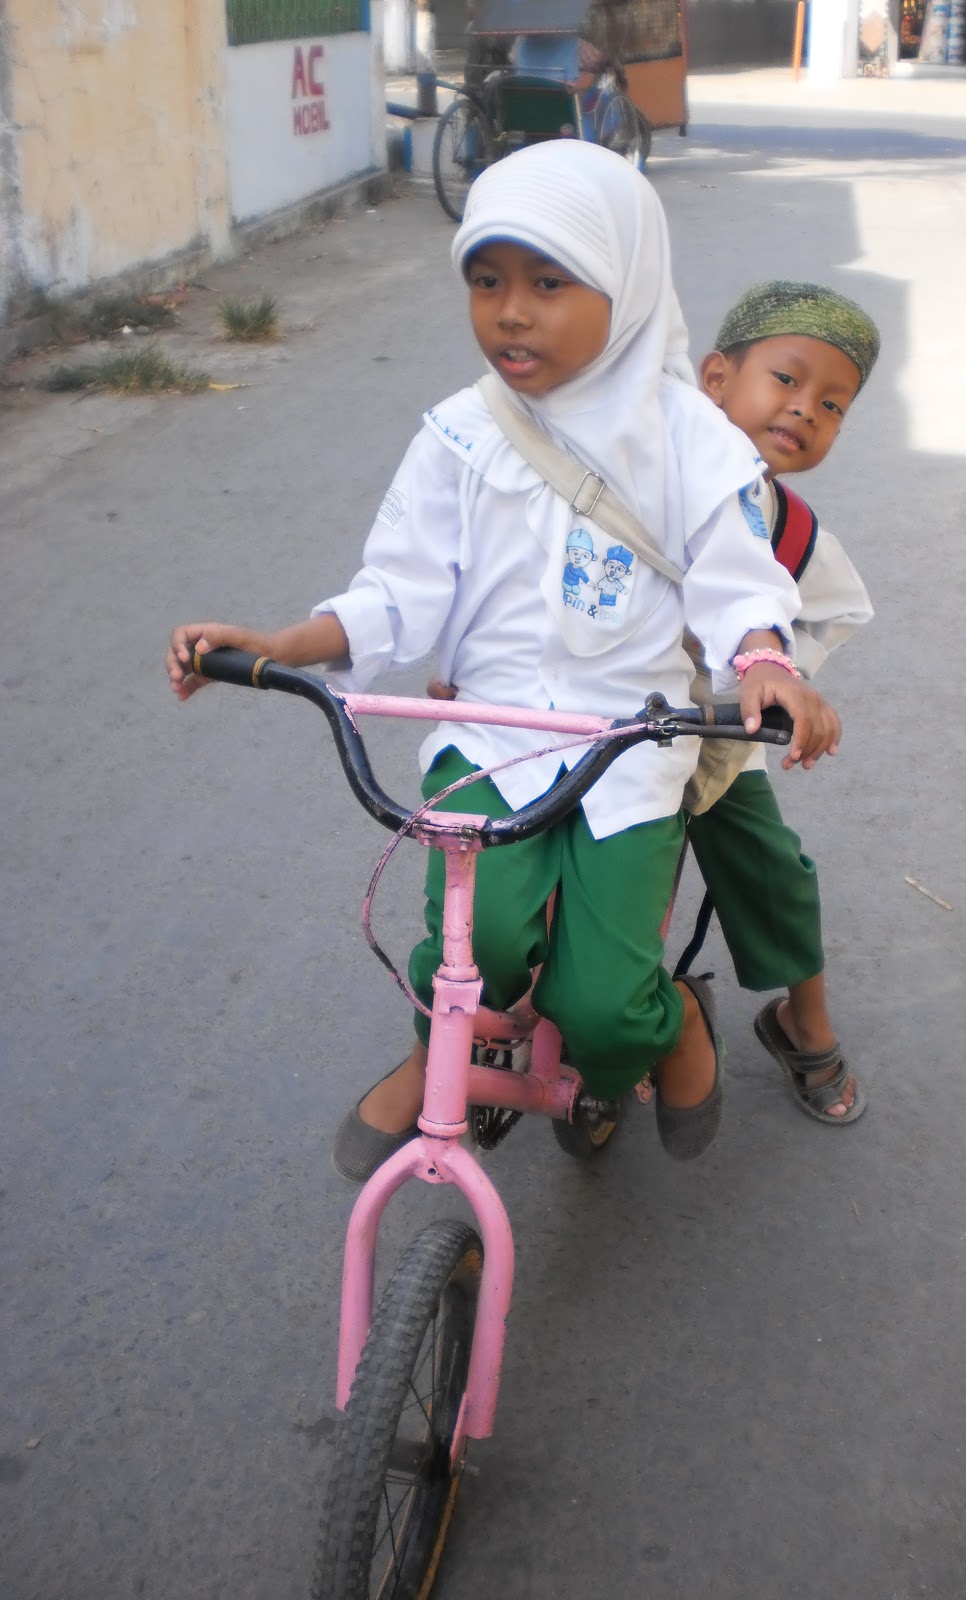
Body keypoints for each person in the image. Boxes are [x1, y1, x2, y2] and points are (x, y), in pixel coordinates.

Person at [165, 145, 839, 1177]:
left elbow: (740, 578)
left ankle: (674, 1026)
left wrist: (763, 657)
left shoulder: (695, 440)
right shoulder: (460, 434)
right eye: (487, 280)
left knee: (605, 1007)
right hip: (487, 734)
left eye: (548, 282)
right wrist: (285, 641)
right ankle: (441, 1059)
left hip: (630, 747)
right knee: (462, 967)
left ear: (628, 281)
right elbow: (396, 590)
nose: (510, 312)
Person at [685, 281, 880, 1125]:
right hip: (602, 727)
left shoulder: (792, 530)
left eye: (831, 404)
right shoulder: (636, 484)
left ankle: (802, 1020)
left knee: (776, 876)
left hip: (712, 742)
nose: (805, 410)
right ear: (717, 378)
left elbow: (836, 608)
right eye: (788, 380)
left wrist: (782, 680)